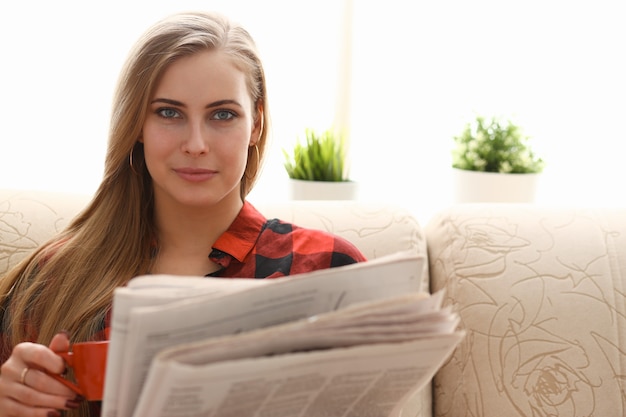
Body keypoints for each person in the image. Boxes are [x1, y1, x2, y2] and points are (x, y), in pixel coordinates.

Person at [0, 11, 366, 417]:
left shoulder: (331, 269)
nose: (195, 144)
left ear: (257, 123)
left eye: (222, 114)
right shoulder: (54, 278)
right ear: (137, 123)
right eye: (169, 113)